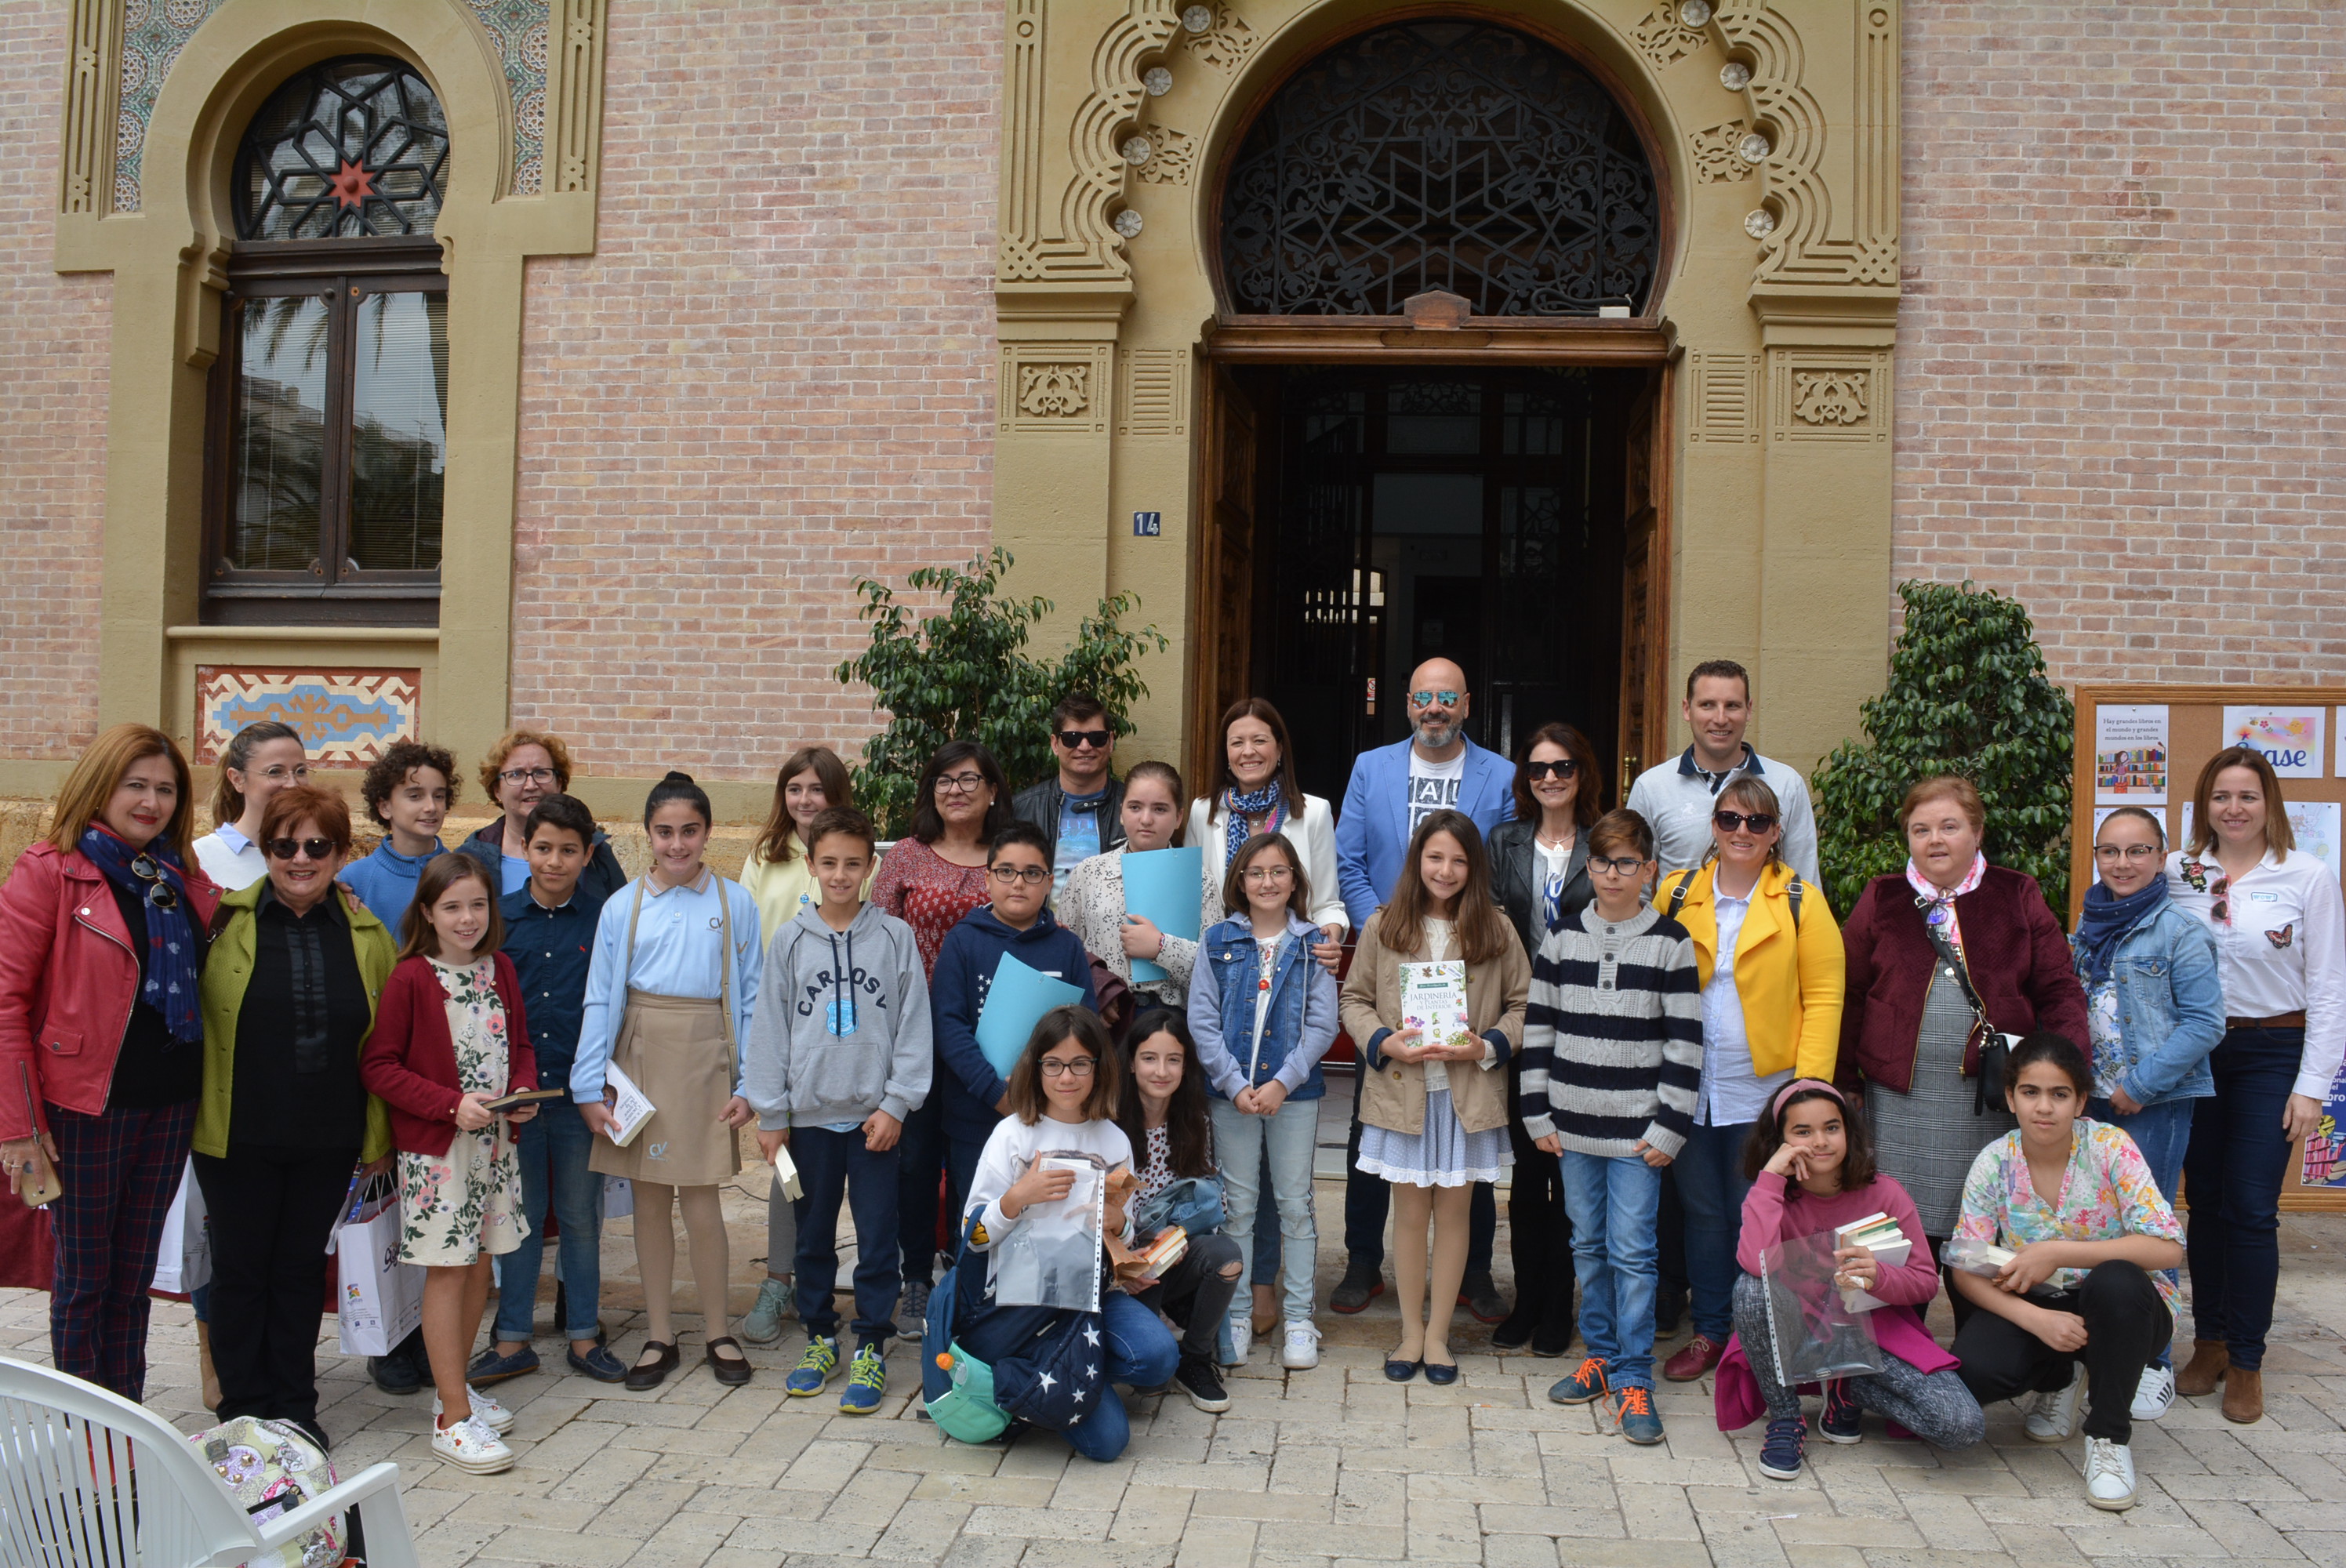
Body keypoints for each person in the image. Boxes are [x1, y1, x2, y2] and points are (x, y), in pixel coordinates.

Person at [0, 724, 220, 1403]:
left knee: (132, 1279)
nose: (151, 801)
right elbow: (7, 1001)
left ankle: (124, 1423)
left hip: (171, 1099)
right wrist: (18, 1126)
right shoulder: (51, 870)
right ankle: (81, 1427)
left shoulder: (178, 878)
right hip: (85, 1105)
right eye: (136, 785)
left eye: (165, 789)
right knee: (86, 1278)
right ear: (102, 786)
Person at [192, 783, 396, 1450]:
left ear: (340, 853)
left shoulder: (368, 934)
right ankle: (243, 1410)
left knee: (301, 1270)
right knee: (242, 1270)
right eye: (284, 845)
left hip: (329, 1134)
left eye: (317, 845)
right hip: (237, 1133)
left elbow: (386, 1041)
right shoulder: (224, 921)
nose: (300, 859)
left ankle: (293, 1405)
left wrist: (381, 1137)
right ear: (265, 849)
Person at [2164, 746, 2344, 1425]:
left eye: (2246, 796)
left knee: (2250, 1207)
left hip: (2274, 1052)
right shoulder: (2183, 874)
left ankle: (2247, 1360)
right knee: (2203, 1203)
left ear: (2269, 805)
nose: (2233, 809)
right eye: (2220, 797)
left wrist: (2311, 1086)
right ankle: (2207, 1344)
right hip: (2199, 1052)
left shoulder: (2306, 876)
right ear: (2203, 806)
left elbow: (2330, 989)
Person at [1330, 669, 1514, 1322]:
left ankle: (1476, 1277)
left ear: (1467, 704)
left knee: (1472, 1126)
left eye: (1447, 698)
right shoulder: (1371, 767)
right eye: (1424, 698)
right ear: (1407, 705)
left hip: (1469, 964)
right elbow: (1348, 857)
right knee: (1374, 1125)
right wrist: (1387, 926)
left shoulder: (1502, 772)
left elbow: (1507, 862)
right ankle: (1361, 1261)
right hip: (1391, 962)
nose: (1435, 708)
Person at [1838, 775, 2087, 1258]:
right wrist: (1844, 1078)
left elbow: (2058, 990)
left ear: (1977, 832)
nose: (1934, 840)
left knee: (1983, 1229)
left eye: (1949, 827)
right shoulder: (1882, 897)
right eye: (1920, 829)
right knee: (1897, 1231)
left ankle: (1979, 1329)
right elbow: (1848, 993)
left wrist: (2065, 1076)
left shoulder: (2016, 893)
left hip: (1990, 1097)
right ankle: (1903, 1330)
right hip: (1897, 1099)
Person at [1651, 777, 1846, 1385]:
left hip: (1764, 1095)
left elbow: (1824, 997)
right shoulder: (1676, 892)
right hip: (1687, 1088)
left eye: (1757, 823)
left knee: (1757, 1214)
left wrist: (1806, 1095)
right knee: (1702, 1214)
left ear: (1775, 832)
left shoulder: (1799, 901)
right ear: (1714, 825)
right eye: (1731, 819)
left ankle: (1762, 1338)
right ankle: (1712, 1331)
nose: (1742, 832)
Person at [572, 771, 762, 1392]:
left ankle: (717, 1330)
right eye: (664, 832)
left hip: (707, 1054)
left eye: (689, 832)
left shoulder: (734, 904)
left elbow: (755, 995)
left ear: (707, 833)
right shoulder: (621, 906)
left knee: (703, 1199)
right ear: (647, 835)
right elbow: (600, 998)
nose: (677, 845)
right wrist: (588, 1083)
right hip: (640, 1055)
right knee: (650, 1200)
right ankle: (658, 1333)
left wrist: (752, 1081)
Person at [743, 807, 932, 1414]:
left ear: (872, 867)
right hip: (808, 1123)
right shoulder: (790, 941)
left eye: (854, 863)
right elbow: (768, 1030)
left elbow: (912, 1028)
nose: (842, 874)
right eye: (830, 863)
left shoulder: (894, 939)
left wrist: (898, 1103)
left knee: (879, 1237)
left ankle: (872, 1344)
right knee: (812, 1235)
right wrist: (771, 1114)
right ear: (811, 865)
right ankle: (821, 1337)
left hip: (875, 1120)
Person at [1520, 807, 1698, 1446]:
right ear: (1587, 867)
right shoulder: (1562, 938)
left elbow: (1684, 1043)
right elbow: (1538, 1032)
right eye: (1602, 862)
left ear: (1650, 869)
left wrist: (1669, 1126)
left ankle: (1633, 1376)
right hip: (1571, 1130)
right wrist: (1536, 1111)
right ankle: (1598, 1355)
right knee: (1588, 1248)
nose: (1613, 874)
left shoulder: (1671, 942)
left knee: (1633, 1253)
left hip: (1636, 1137)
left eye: (1627, 863)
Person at [1949, 1034, 2184, 1512]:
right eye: (2031, 1092)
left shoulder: (2110, 1147)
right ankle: (2060, 1379)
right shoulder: (1994, 1162)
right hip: (2041, 1304)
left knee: (2115, 1280)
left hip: (2127, 1305)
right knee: (1975, 1371)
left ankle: (2109, 1440)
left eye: (2060, 1095)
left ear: (2080, 1101)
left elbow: (2167, 1249)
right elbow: (1966, 1271)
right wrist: (2037, 1321)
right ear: (2011, 1096)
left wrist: (2058, 1251)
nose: (2044, 1107)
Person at [360, 855, 539, 1475]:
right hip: (439, 1154)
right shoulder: (413, 978)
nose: (467, 918)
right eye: (452, 907)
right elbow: (380, 1066)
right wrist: (447, 1105)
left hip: (495, 1148)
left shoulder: (501, 970)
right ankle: (451, 1421)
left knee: (480, 1266)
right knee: (448, 1272)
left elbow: (518, 1046)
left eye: (478, 905)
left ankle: (454, 1388)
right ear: (428, 914)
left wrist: (521, 1093)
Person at [1342, 810, 1530, 1386]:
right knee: (1409, 1213)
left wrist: (1488, 1044)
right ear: (1416, 861)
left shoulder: (1496, 929)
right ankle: (1408, 1332)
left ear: (1473, 867)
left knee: (1455, 1216)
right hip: (1404, 1090)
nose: (1445, 870)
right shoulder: (1385, 925)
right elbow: (1354, 998)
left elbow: (1524, 1005)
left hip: (1465, 1093)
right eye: (1434, 857)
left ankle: (1441, 1336)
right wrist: (1383, 1041)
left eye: (1457, 859)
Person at [1720, 1081, 1984, 1483]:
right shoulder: (1772, 1194)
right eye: (1803, 1132)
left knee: (1960, 1425)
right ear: (1781, 1141)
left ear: (1849, 1131)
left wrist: (1880, 1276)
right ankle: (1787, 1418)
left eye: (1832, 1128)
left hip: (1874, 1334)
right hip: (1799, 1331)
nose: (1820, 1142)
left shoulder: (1886, 1193)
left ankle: (1846, 1388)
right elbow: (1755, 1265)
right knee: (1751, 1291)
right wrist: (1770, 1177)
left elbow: (1925, 1283)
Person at [1186, 699, 1348, 1327]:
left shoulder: (1314, 813)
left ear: (1280, 747)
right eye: (1236, 742)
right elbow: (1203, 901)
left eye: (1260, 740)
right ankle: (1239, 1301)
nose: (1248, 752)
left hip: (1294, 975)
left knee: (1290, 1187)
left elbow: (1327, 899)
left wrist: (1326, 939)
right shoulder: (1205, 812)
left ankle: (1276, 1293)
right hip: (1224, 979)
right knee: (1238, 1187)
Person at [957, 1006, 1178, 1462]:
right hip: (1018, 1302)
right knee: (1109, 1443)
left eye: (1081, 1064)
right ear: (1036, 1067)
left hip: (1088, 1298)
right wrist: (1016, 1198)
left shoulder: (1113, 1141)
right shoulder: (1013, 1134)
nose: (1067, 1078)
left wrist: (1120, 1225)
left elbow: (1125, 1229)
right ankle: (1033, 1381)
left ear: (1099, 1068)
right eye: (1053, 1064)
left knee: (1157, 1358)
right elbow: (973, 1236)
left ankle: (1061, 1380)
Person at [2070, 805, 2222, 1422]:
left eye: (2137, 851)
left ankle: (2153, 1361)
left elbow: (2206, 1023)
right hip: (2095, 1101)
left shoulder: (2180, 931)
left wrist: (2140, 1083)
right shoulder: (2088, 923)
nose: (2123, 863)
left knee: (2146, 1232)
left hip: (2152, 1103)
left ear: (2161, 858)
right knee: (2092, 1228)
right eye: (2111, 851)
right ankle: (2099, 1357)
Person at [472, 793, 628, 1386]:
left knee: (581, 1216)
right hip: (515, 1098)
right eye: (543, 848)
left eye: (569, 850)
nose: (555, 861)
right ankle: (513, 1337)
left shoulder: (606, 920)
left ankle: (584, 1334)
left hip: (579, 1095)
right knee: (522, 1215)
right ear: (524, 849)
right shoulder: (498, 916)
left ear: (588, 854)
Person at [873, 739, 1012, 1330]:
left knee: (976, 1161)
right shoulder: (904, 857)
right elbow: (876, 942)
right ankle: (913, 1279)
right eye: (943, 780)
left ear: (992, 790)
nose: (955, 790)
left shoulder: (1007, 857)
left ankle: (967, 1272)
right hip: (914, 1035)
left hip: (991, 1040)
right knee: (915, 1162)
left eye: (968, 779)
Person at [1188, 832, 1340, 1370]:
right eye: (1256, 873)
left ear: (1294, 880)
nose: (1267, 882)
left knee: (1295, 1206)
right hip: (1233, 1096)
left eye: (1278, 871)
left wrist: (1283, 1081)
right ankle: (1234, 1315)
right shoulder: (1217, 941)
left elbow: (1323, 1025)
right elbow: (1202, 1021)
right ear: (1240, 882)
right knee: (1239, 1208)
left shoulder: (1311, 944)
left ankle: (1299, 1317)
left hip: (1293, 1097)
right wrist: (1233, 1082)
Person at [736, 742, 861, 1345]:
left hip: (847, 1041)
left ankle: (864, 1283)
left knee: (858, 1174)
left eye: (817, 790)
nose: (805, 800)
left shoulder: (861, 860)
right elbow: (745, 942)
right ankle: (779, 1278)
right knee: (787, 1168)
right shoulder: (766, 857)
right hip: (783, 1032)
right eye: (795, 789)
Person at [1486, 721, 1601, 1354]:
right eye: (1538, 769)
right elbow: (1494, 927)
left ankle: (1563, 1305)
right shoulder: (1503, 841)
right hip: (1520, 1024)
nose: (1551, 778)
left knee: (1572, 1173)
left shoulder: (1604, 841)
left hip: (1584, 1026)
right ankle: (1527, 1302)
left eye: (1563, 767)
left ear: (1582, 773)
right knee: (1529, 1176)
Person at [931, 822, 1101, 1228]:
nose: (1018, 883)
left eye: (1032, 873)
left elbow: (1087, 1026)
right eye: (1005, 871)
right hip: (976, 1114)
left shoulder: (1067, 947)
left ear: (1048, 882)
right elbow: (949, 1027)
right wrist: (996, 1093)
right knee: (978, 1224)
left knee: (1048, 1222)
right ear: (987, 878)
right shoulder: (963, 942)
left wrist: (1053, 1095)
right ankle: (972, 1292)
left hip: (1052, 1115)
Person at [1113, 1009, 1245, 1412]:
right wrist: (1124, 1259)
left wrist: (1178, 1234)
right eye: (1150, 1058)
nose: (1161, 1071)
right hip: (1117, 1261)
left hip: (1171, 1251)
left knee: (1226, 1256)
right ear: (1132, 1061)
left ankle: (1196, 1358)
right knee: (1150, 1377)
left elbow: (1214, 1199)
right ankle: (1150, 1353)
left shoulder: (1193, 1119)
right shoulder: (1108, 1122)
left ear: (1186, 1065)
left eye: (1174, 1059)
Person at [1625, 659, 1820, 883]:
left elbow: (1805, 885)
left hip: (1764, 918)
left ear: (1748, 710)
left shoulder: (1787, 784)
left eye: (1732, 706)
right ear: (1687, 709)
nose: (1720, 719)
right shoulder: (1651, 787)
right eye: (1707, 705)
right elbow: (1634, 886)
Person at [1059, 760, 1204, 1012]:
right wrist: (1096, 995)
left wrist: (1162, 947)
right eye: (1135, 807)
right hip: (1102, 1015)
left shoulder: (1200, 880)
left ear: (1179, 817)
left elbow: (1216, 968)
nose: (1146, 819)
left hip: (1167, 1021)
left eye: (1160, 809)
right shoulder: (1089, 872)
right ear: (1121, 813)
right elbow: (1065, 951)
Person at [458, 729, 626, 900]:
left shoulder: (595, 854)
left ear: (559, 783)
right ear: (497, 790)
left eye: (541, 773)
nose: (531, 785)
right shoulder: (472, 858)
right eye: (516, 774)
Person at [1011, 691, 1128, 902]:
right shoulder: (1022, 809)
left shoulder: (1134, 808)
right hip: (1040, 932)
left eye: (1097, 738)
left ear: (1110, 742)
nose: (1085, 747)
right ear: (1055, 744)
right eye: (1072, 739)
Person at [340, 739, 456, 926]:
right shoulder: (355, 879)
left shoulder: (462, 873)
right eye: (415, 796)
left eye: (439, 796)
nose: (431, 807)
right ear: (385, 807)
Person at [193, 720, 310, 892]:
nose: (292, 784)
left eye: (300, 771)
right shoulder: (200, 857)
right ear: (237, 779)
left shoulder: (315, 853)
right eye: (275, 772)